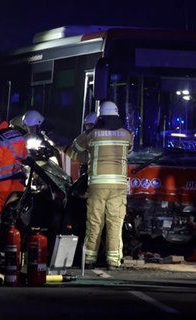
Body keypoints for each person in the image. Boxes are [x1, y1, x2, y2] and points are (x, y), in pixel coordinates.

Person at [65, 101, 133, 270]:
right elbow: (129, 151)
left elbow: (76, 146)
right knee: (115, 224)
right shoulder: (126, 134)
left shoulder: (93, 134)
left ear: (100, 116)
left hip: (97, 185)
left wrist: (89, 131)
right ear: (117, 115)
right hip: (118, 187)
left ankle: (89, 260)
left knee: (95, 222)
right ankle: (113, 261)